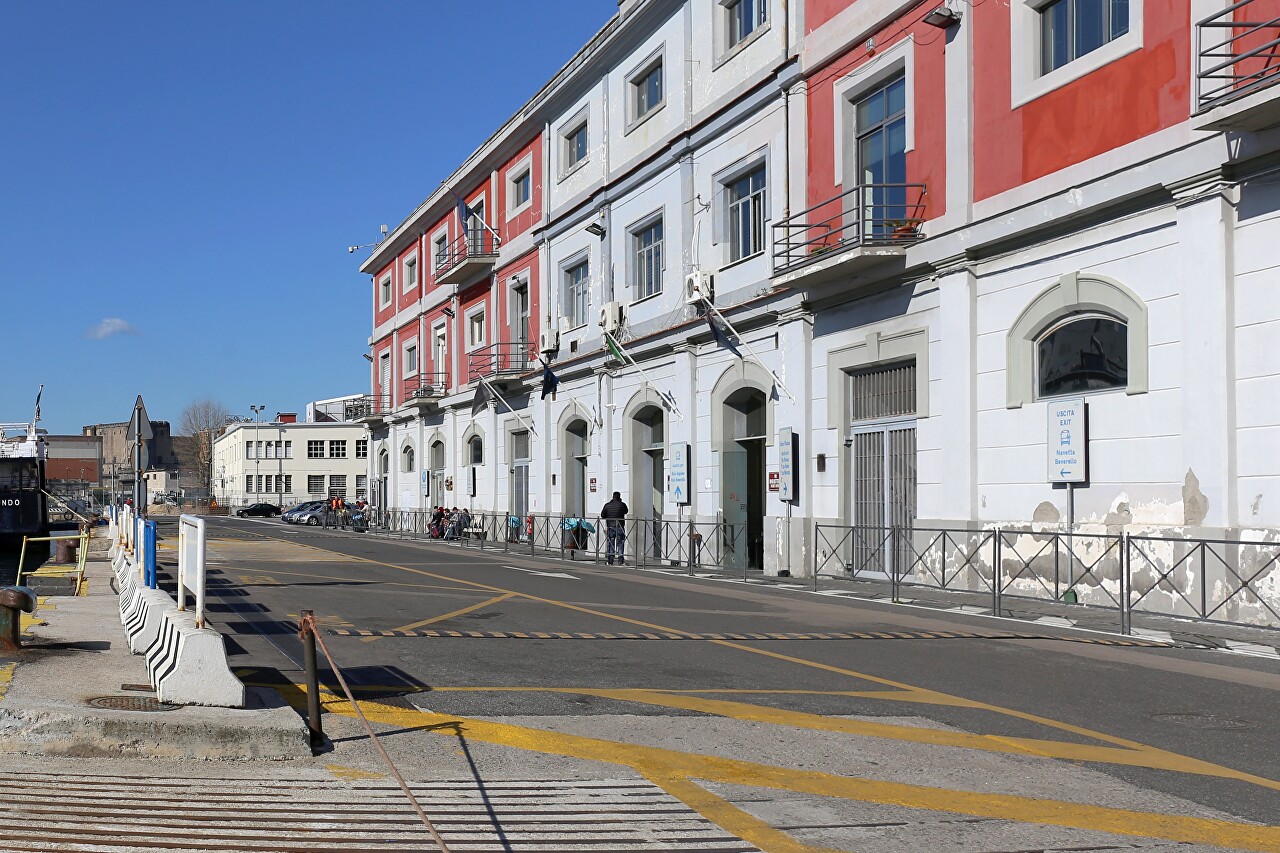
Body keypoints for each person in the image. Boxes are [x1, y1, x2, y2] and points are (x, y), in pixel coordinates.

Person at [600, 491, 628, 565]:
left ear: (613, 497)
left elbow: (602, 515)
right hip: (620, 526)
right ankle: (620, 560)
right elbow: (626, 511)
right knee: (620, 543)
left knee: (611, 542)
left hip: (610, 526)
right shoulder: (622, 505)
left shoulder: (607, 505)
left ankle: (610, 560)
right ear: (619, 497)